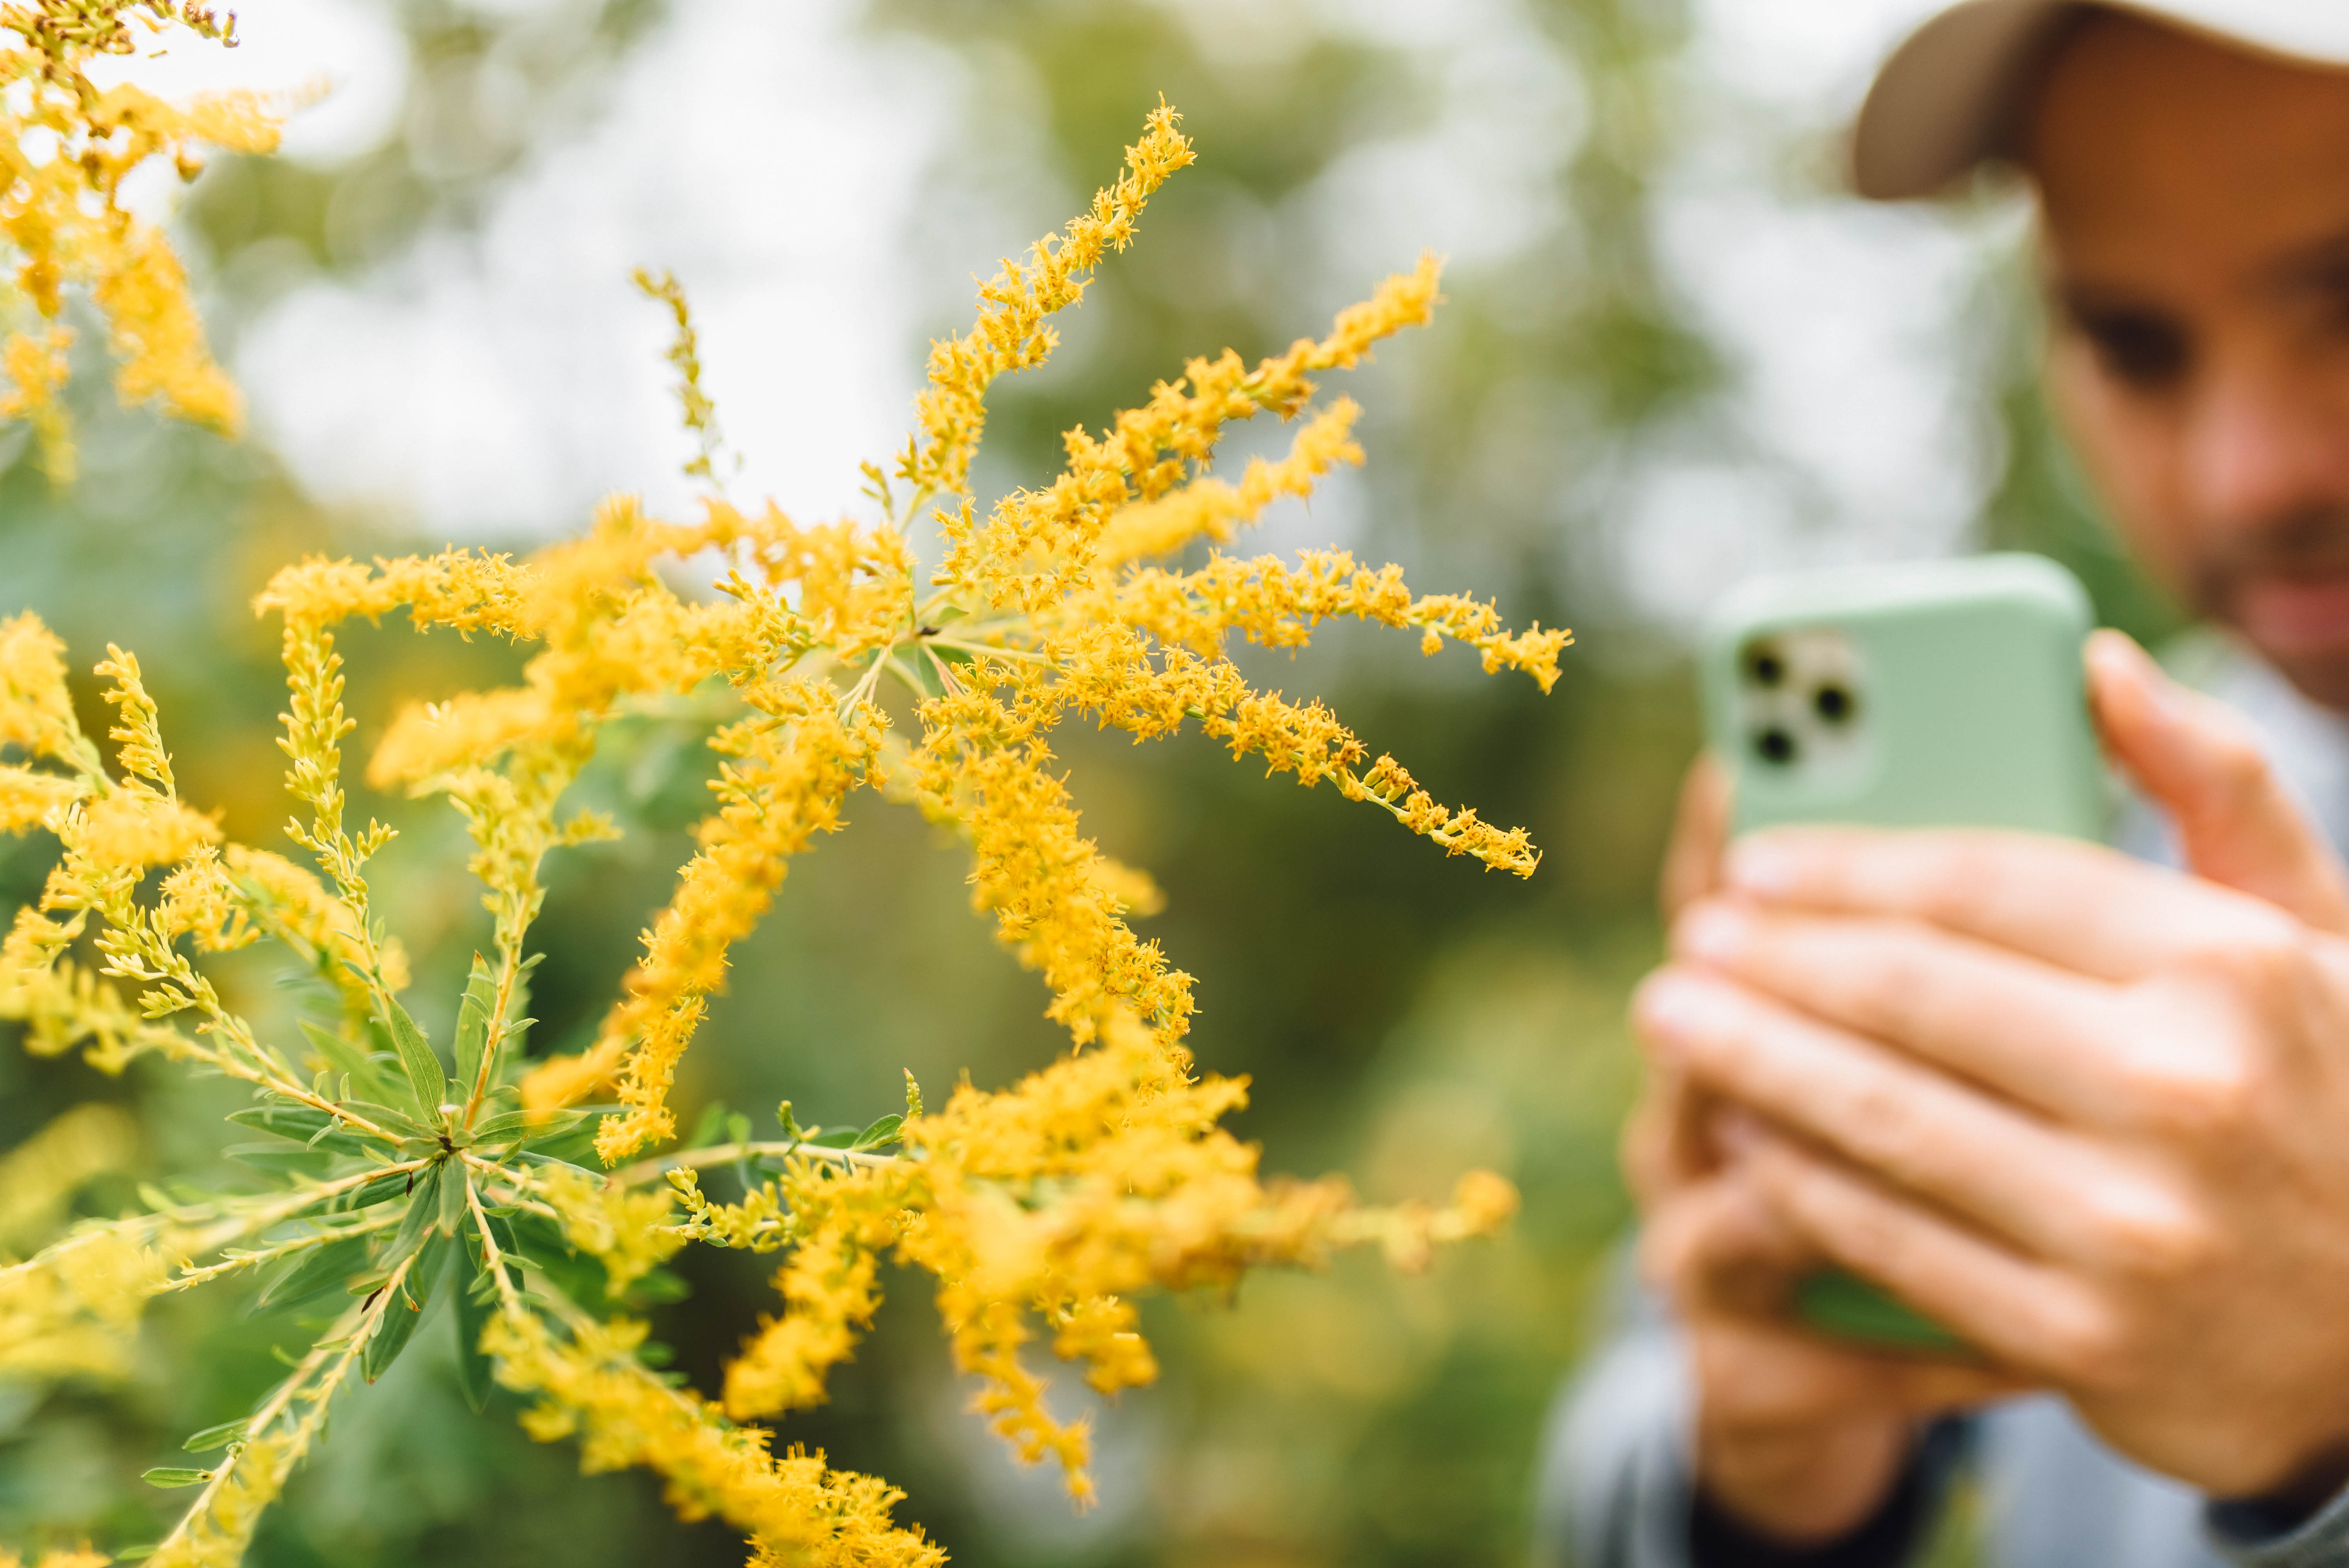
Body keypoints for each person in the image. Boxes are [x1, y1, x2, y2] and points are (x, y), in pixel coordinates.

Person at [1540, 3, 2349, 1565]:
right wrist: (1765, 1478)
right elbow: (1617, 1442)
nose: (2248, 473)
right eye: (2132, 343)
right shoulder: (2079, 835)